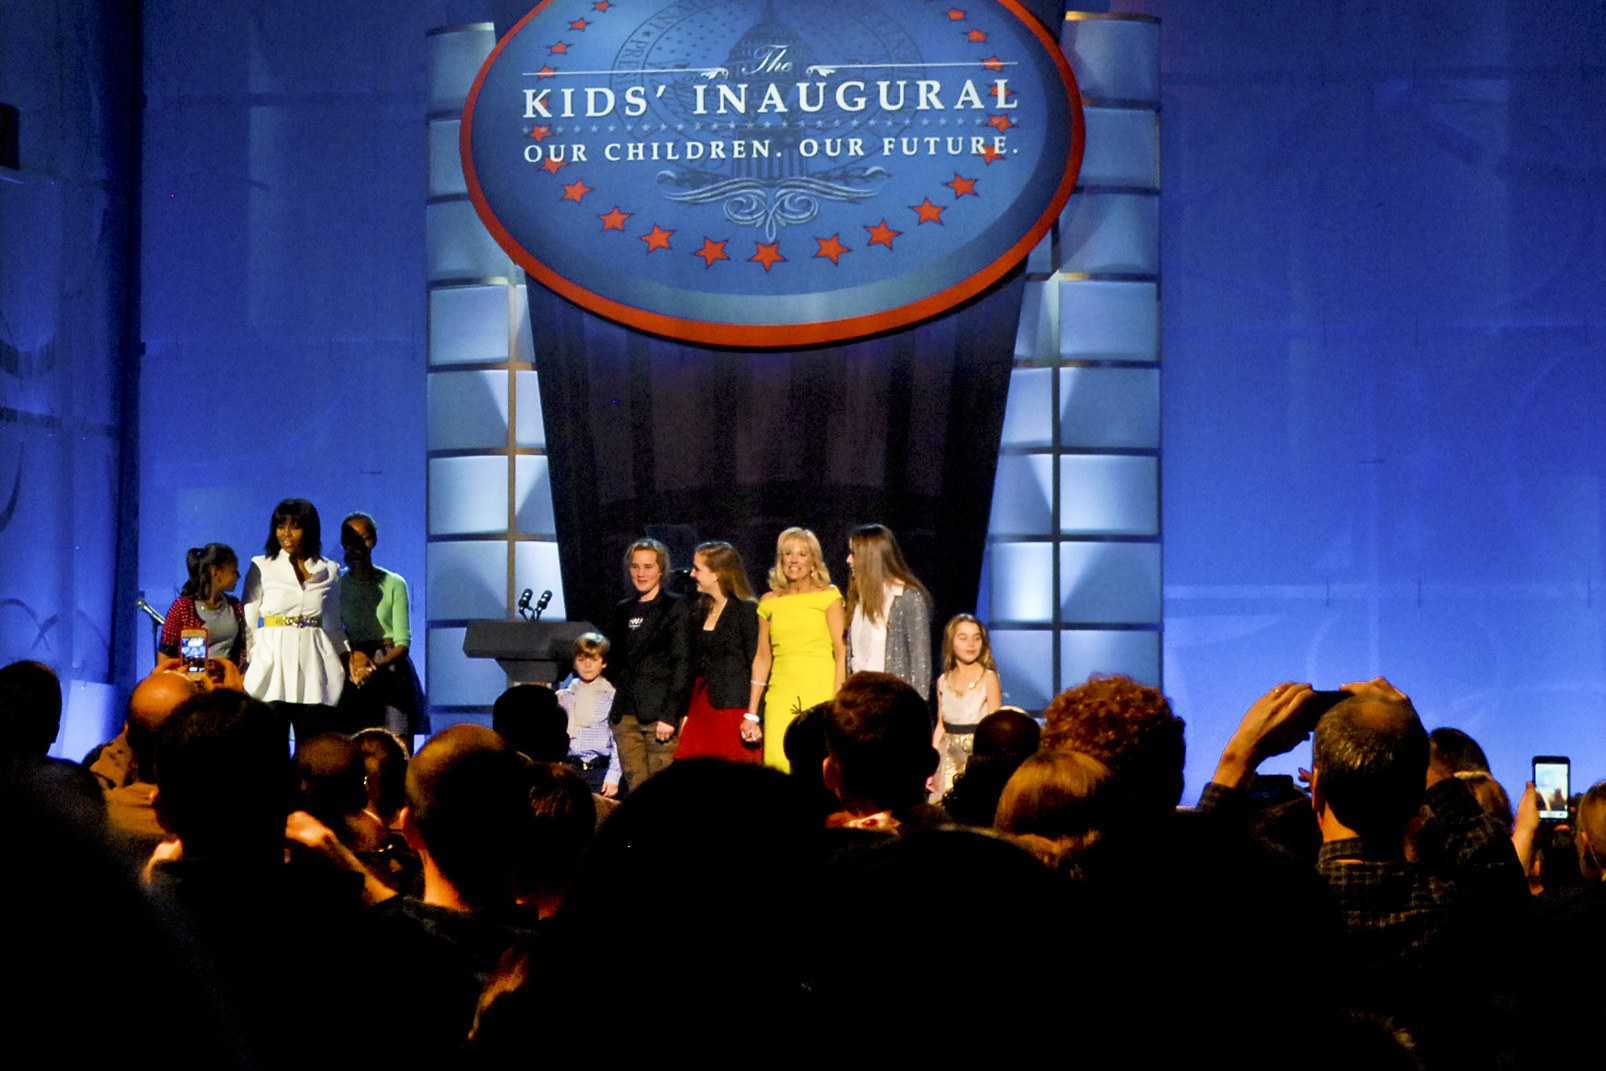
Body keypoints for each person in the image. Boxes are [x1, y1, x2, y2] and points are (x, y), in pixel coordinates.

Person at [241, 498, 358, 743]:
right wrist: (252, 657)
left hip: (315, 664)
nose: (286, 533)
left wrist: (347, 657)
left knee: (313, 744)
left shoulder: (330, 570)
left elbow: (333, 624)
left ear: (310, 529)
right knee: (270, 746)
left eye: (295, 526)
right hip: (271, 665)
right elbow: (249, 620)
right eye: (280, 526)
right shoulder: (261, 566)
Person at [747, 527, 847, 771]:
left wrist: (837, 700)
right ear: (780, 560)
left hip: (820, 690)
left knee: (817, 764)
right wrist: (751, 713)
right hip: (781, 693)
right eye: (788, 553)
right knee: (778, 764)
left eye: (802, 554)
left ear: (813, 561)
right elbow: (763, 657)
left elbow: (841, 650)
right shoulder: (769, 602)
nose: (794, 560)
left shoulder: (829, 597)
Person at [606, 538, 691, 792]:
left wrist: (670, 716)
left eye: (648, 566)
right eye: (635, 566)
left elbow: (682, 662)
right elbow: (616, 661)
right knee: (636, 792)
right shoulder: (623, 609)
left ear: (661, 570)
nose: (640, 573)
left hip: (659, 717)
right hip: (626, 715)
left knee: (661, 793)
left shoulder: (675, 606)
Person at [337, 512, 428, 740]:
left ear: (374, 540)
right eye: (352, 540)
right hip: (353, 664)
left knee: (397, 741)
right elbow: (333, 630)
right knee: (354, 741)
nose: (359, 546)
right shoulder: (336, 584)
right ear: (344, 543)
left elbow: (403, 642)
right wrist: (353, 662)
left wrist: (373, 667)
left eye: (365, 538)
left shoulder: (395, 583)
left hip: (389, 664)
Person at [676, 540, 761, 763]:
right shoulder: (701, 609)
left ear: (716, 574)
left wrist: (754, 715)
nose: (692, 574)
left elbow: (757, 663)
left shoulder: (746, 610)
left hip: (733, 707)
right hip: (702, 705)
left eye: (697, 569)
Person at [843, 524, 932, 700]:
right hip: (860, 703)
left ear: (870, 558)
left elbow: (920, 665)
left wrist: (915, 709)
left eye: (854, 554)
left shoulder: (906, 598)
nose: (848, 560)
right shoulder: (858, 600)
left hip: (893, 704)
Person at [930, 614, 1001, 799]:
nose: (971, 644)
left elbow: (995, 724)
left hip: (977, 754)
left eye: (976, 638)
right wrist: (931, 765)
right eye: (963, 638)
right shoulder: (943, 681)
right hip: (949, 755)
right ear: (951, 643)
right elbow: (941, 726)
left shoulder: (988, 678)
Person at [159, 543, 247, 671]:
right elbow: (165, 656)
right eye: (233, 571)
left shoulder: (235, 607)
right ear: (215, 572)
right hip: (193, 679)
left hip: (228, 679)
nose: (237, 576)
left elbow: (243, 650)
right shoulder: (183, 608)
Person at [553, 634, 622, 796]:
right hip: (569, 769)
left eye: (594, 659)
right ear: (575, 663)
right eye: (582, 659)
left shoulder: (611, 697)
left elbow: (617, 740)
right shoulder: (563, 697)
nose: (587, 665)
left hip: (599, 772)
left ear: (603, 662)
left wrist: (614, 775)